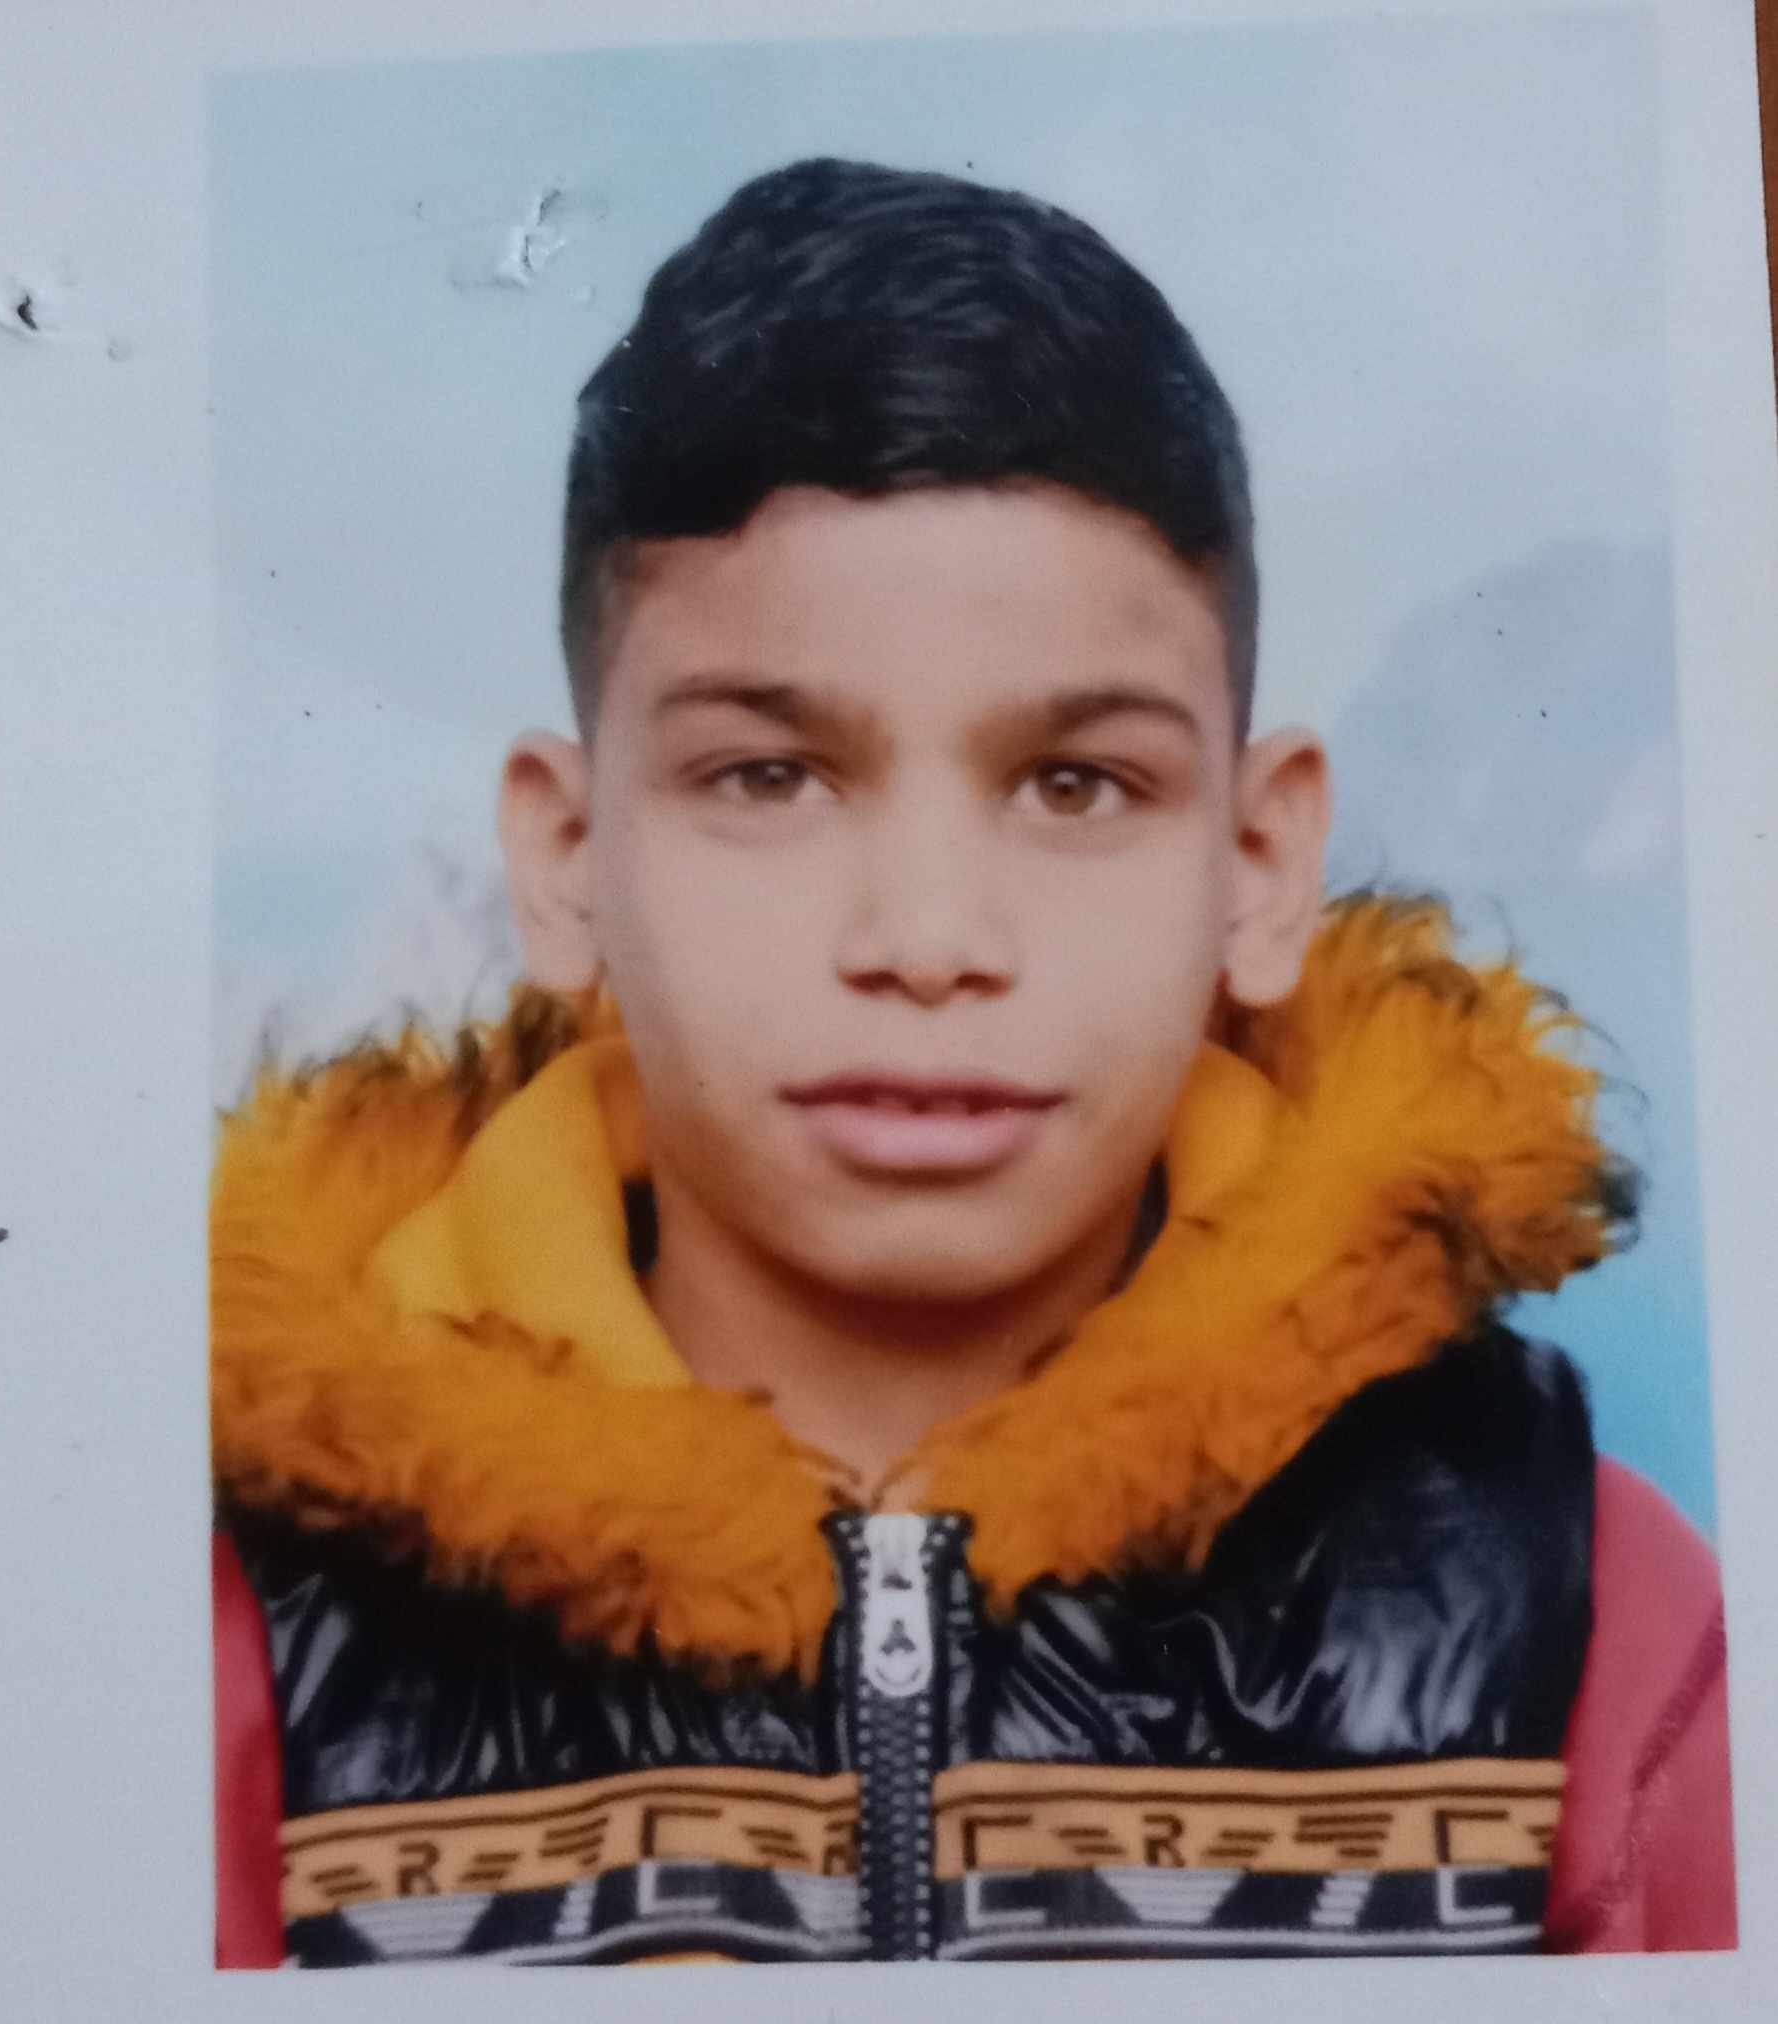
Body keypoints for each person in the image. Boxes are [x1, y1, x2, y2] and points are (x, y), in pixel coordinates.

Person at [210, 157, 1734, 1968]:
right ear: (565, 861)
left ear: (1258, 867)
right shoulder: (228, 1635)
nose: (928, 938)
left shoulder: (1586, 1619)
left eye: (1076, 784)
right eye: (769, 776)